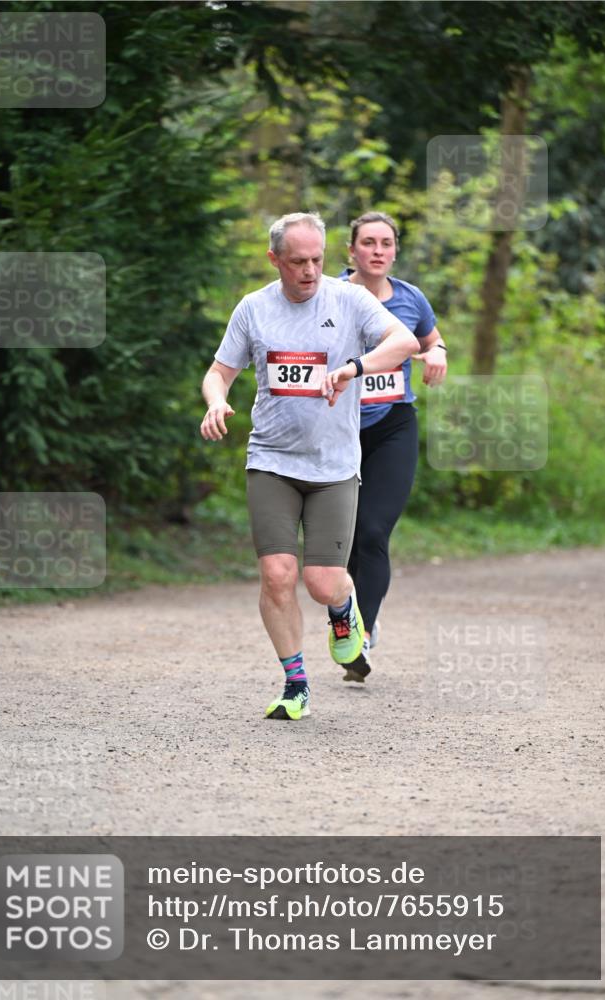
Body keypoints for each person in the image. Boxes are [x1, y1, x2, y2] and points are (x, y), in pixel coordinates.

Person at [200, 212, 421, 720]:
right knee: (278, 575)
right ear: (274, 259)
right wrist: (216, 402)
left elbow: (404, 343)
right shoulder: (254, 309)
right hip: (272, 461)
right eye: (297, 261)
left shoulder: (348, 300)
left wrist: (353, 368)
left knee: (324, 582)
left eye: (317, 260)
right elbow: (219, 371)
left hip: (334, 466)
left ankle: (345, 614)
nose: (309, 271)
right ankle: (295, 683)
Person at [340, 211, 447, 682]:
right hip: (338, 430)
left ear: (395, 251)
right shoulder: (332, 295)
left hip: (392, 427)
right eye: (368, 242)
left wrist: (437, 354)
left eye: (386, 242)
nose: (378, 250)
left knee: (372, 529)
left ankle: (360, 634)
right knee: (341, 543)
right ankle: (353, 617)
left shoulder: (411, 298)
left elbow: (433, 340)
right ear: (352, 251)